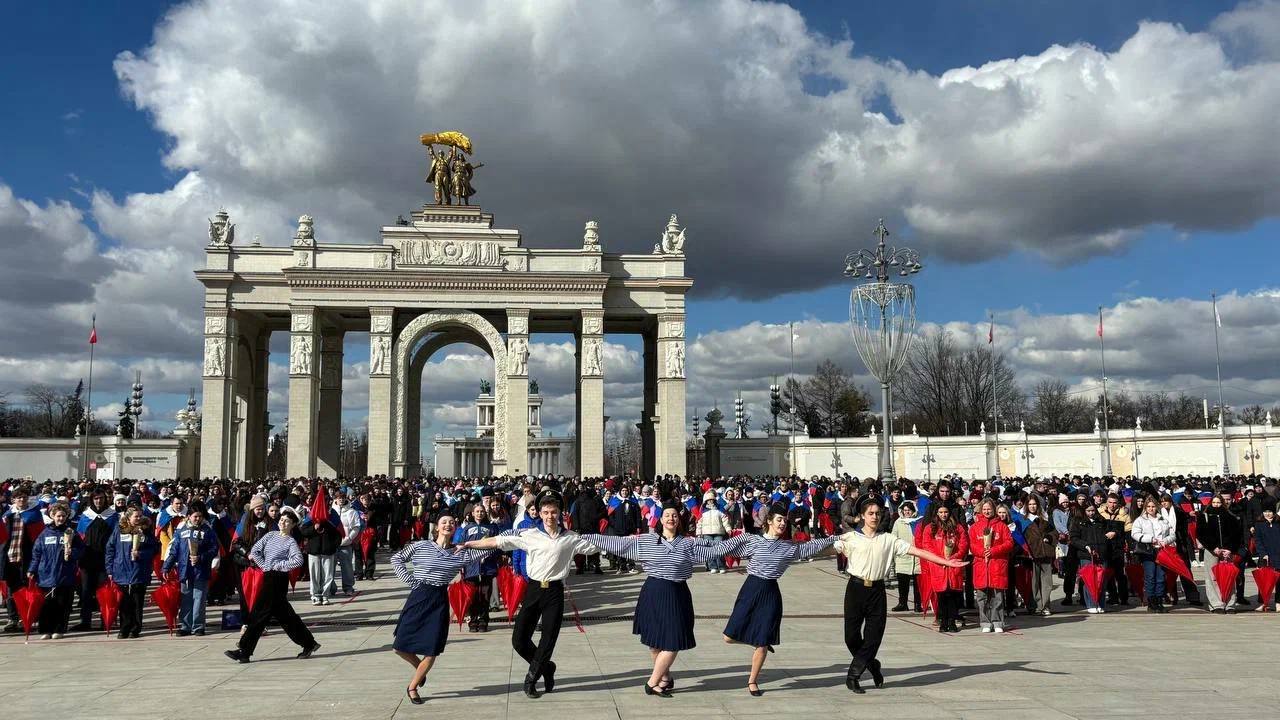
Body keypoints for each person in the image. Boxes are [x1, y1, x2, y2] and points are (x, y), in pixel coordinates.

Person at [578, 502, 741, 697]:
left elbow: (715, 549)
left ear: (678, 520)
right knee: (654, 643)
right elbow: (619, 543)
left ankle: (652, 683)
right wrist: (584, 537)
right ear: (660, 520)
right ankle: (664, 677)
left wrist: (743, 540)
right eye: (667, 515)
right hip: (653, 592)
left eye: (674, 515)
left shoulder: (688, 543)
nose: (671, 518)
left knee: (673, 642)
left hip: (677, 594)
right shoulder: (647, 541)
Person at [460, 491, 601, 699]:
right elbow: (499, 541)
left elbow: (600, 544)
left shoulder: (570, 538)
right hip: (534, 590)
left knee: (548, 638)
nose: (550, 516)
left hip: (554, 592)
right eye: (545, 512)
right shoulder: (530, 534)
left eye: (553, 512)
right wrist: (470, 544)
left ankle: (532, 678)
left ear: (560, 513)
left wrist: (630, 543)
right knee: (519, 640)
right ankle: (546, 667)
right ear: (540, 514)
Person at [837, 496, 967, 693]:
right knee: (851, 637)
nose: (875, 517)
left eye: (878, 513)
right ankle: (872, 665)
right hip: (855, 589)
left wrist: (946, 562)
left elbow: (918, 551)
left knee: (873, 637)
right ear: (862, 516)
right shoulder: (851, 538)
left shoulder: (888, 539)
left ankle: (853, 675)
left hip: (877, 591)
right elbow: (828, 548)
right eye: (870, 513)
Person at [720, 503, 837, 696]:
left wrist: (837, 539)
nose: (783, 524)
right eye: (779, 520)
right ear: (769, 521)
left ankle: (752, 681)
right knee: (729, 636)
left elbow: (811, 546)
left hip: (771, 593)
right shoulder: (754, 541)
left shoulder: (788, 547)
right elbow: (727, 549)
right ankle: (758, 639)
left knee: (762, 643)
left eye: (785, 520)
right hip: (750, 589)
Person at [390, 513, 494, 703]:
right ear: (437, 527)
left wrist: (517, 532)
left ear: (456, 528)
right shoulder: (421, 545)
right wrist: (411, 582)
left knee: (432, 650)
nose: (448, 525)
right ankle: (420, 671)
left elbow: (492, 546)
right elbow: (396, 559)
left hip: (439, 600)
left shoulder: (461, 552)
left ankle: (412, 687)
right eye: (444, 522)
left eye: (452, 523)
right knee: (399, 647)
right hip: (419, 596)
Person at [224, 507, 321, 663]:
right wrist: (264, 566)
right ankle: (309, 643)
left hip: (278, 579)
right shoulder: (270, 535)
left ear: (293, 525)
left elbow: (298, 560)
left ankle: (244, 650)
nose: (283, 523)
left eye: (287, 521)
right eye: (281, 520)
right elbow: (254, 551)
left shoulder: (290, 541)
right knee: (286, 616)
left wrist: (279, 565)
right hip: (268, 576)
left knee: (259, 613)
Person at [161, 500, 220, 635]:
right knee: (186, 598)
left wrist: (201, 557)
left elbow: (214, 549)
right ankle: (185, 626)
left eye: (200, 516)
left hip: (201, 570)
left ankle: (198, 626)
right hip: (185, 570)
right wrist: (166, 566)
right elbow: (174, 550)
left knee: (199, 599)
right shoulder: (181, 531)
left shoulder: (208, 531)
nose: (197, 519)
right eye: (195, 516)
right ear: (188, 516)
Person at [27, 502, 83, 639]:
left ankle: (59, 628)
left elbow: (81, 550)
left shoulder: (71, 533)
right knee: (46, 605)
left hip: (64, 574)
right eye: (58, 516)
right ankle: (45, 629)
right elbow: (36, 554)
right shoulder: (45, 534)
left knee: (62, 604)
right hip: (46, 574)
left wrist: (72, 552)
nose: (61, 519)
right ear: (52, 516)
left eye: (63, 516)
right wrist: (32, 569)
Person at [104, 504, 159, 638]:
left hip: (139, 572)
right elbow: (110, 549)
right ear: (128, 518)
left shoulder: (146, 531)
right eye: (136, 516)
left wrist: (141, 554)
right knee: (124, 603)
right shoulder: (119, 530)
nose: (139, 518)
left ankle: (135, 628)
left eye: (140, 516)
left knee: (137, 602)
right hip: (121, 572)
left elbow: (155, 549)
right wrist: (110, 569)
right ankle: (124, 628)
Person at [918, 502, 969, 632]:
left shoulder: (957, 528)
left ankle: (952, 622)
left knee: (952, 595)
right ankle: (942, 621)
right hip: (938, 566)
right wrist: (939, 558)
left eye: (945, 512)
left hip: (953, 565)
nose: (943, 515)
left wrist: (954, 556)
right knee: (941, 596)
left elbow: (963, 545)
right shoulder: (930, 528)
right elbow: (927, 545)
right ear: (936, 513)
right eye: (940, 512)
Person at [72, 489, 117, 631]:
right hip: (87, 560)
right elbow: (79, 537)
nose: (99, 501)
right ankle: (85, 621)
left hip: (105, 560)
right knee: (85, 592)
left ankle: (106, 620)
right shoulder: (86, 516)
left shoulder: (112, 516)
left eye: (101, 498)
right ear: (92, 499)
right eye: (96, 498)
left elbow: (116, 538)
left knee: (103, 591)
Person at [969, 499, 1015, 632]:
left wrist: (994, 550)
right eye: (984, 509)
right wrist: (982, 552)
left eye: (989, 509)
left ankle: (998, 621)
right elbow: (972, 544)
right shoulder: (975, 527)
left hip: (997, 564)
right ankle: (985, 622)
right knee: (981, 597)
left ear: (993, 510)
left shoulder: (1001, 526)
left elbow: (1009, 543)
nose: (987, 511)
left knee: (997, 596)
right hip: (981, 564)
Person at [453, 503, 501, 632]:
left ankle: (483, 621)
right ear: (473, 513)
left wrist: (491, 556)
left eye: (482, 511)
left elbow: (498, 545)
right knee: (472, 595)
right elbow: (461, 547)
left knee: (485, 595)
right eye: (477, 511)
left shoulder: (492, 527)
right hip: (471, 566)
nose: (480, 513)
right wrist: (461, 564)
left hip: (487, 567)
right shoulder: (467, 528)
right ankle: (473, 621)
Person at [1198, 494, 1242, 613]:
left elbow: (1237, 535)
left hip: (1227, 552)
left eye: (1218, 502)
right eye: (1214, 502)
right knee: (1212, 578)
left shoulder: (1230, 517)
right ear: (1210, 503)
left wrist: (1230, 549)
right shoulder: (1204, 516)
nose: (1216, 505)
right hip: (1212, 551)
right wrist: (1213, 547)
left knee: (1229, 577)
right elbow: (1201, 534)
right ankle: (1216, 604)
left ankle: (1229, 603)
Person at [1131, 497, 1175, 613]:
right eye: (1149, 506)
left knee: (1160, 577)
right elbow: (1134, 534)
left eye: (1153, 506)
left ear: (1157, 507)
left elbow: (1172, 534)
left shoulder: (1163, 520)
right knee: (1150, 576)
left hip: (1161, 550)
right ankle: (1151, 602)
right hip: (1148, 551)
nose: (1151, 509)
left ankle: (1159, 600)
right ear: (1145, 508)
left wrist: (1165, 541)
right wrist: (1150, 539)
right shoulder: (1140, 520)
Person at [1069, 502, 1110, 614]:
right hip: (1086, 555)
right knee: (1089, 580)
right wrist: (1085, 545)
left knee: (1101, 580)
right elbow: (1073, 538)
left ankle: (1100, 603)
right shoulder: (1078, 521)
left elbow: (1107, 533)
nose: (1091, 513)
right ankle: (1091, 603)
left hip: (1101, 553)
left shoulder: (1101, 520)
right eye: (1088, 511)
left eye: (1092, 510)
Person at [300, 499, 341, 606]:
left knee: (328, 575)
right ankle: (315, 595)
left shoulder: (330, 523)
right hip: (313, 552)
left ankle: (325, 595)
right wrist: (314, 528)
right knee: (314, 575)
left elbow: (338, 536)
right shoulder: (309, 520)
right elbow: (303, 532)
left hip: (328, 553)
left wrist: (333, 546)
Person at [1022, 496, 1057, 615]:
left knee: (1047, 582)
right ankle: (1037, 605)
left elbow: (1054, 532)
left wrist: (1049, 537)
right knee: (1034, 582)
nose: (1032, 506)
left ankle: (1046, 606)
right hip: (1031, 554)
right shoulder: (1023, 520)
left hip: (1045, 553)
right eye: (1030, 504)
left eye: (1034, 504)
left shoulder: (1044, 518)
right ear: (1027, 506)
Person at [889, 501, 921, 612]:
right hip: (903, 556)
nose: (907, 512)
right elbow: (894, 537)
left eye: (909, 510)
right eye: (905, 510)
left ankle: (918, 604)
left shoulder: (919, 521)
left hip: (917, 557)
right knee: (903, 583)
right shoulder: (898, 522)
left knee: (918, 584)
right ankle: (903, 603)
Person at [335, 492, 363, 596]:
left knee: (347, 567)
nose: (341, 500)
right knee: (330, 568)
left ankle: (348, 587)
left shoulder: (352, 511)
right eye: (339, 498)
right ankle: (331, 588)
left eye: (342, 498)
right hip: (333, 544)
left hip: (346, 544)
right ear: (336, 499)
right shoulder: (332, 511)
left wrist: (349, 538)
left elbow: (356, 527)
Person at [1254, 501, 1279, 611]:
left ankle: (1278, 602)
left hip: (1278, 555)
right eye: (1265, 511)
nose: (1268, 514)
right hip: (1265, 556)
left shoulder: (1278, 523)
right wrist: (1263, 553)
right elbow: (1258, 540)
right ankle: (1264, 603)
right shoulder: (1259, 524)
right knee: (1264, 581)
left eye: (1270, 512)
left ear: (1274, 512)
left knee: (1278, 580)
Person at [697, 498, 733, 574]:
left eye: (712, 499)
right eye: (708, 500)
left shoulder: (719, 510)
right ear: (706, 501)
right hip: (707, 533)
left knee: (720, 549)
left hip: (718, 532)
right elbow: (699, 523)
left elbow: (725, 521)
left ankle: (722, 566)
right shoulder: (703, 511)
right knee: (710, 551)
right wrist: (699, 533)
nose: (710, 501)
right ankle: (713, 567)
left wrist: (728, 529)